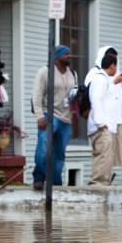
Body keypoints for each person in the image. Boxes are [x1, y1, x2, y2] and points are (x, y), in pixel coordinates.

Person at [32, 45, 77, 190]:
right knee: (44, 145)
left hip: (66, 119)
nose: (70, 56)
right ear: (57, 57)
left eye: (70, 54)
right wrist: (40, 116)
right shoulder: (45, 72)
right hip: (48, 115)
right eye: (66, 54)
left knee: (59, 153)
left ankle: (56, 183)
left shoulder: (72, 73)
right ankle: (39, 178)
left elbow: (71, 95)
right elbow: (37, 95)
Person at [85, 47, 122, 175]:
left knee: (108, 157)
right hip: (102, 125)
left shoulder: (106, 79)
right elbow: (96, 100)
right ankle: (98, 185)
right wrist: (100, 123)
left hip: (109, 124)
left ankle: (104, 183)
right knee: (102, 156)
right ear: (111, 65)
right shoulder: (99, 77)